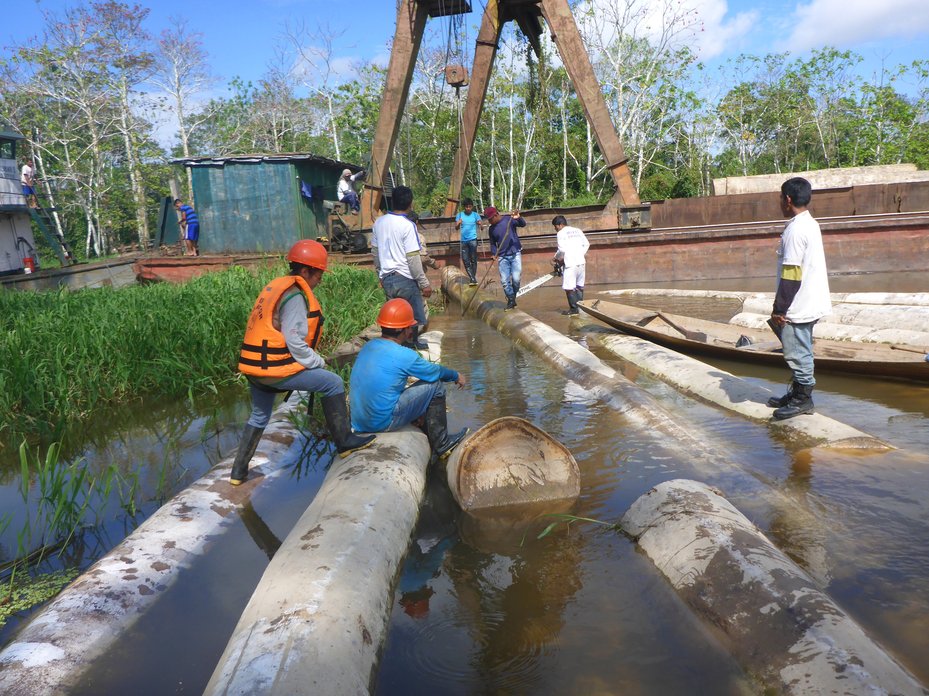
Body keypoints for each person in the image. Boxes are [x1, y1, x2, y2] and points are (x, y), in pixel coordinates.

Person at [230, 239, 375, 485]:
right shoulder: (295, 296)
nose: (320, 280)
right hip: (275, 369)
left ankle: (237, 473)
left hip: (255, 369)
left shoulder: (276, 287)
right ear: (306, 271)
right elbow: (295, 342)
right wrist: (317, 361)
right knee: (333, 382)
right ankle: (345, 443)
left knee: (259, 415)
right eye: (319, 274)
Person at [350, 298, 468, 459]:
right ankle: (442, 443)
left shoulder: (368, 347)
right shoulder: (404, 355)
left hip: (359, 423)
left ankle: (426, 430)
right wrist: (456, 375)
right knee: (435, 385)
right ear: (406, 329)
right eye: (411, 327)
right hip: (382, 422)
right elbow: (434, 372)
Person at [767, 177, 831, 420]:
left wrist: (779, 308)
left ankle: (803, 400)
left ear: (788, 199)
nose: (780, 203)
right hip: (809, 301)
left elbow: (792, 274)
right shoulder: (809, 223)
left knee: (797, 353)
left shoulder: (795, 230)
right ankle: (796, 395)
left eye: (780, 198)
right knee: (801, 350)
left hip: (798, 305)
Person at [371, 185, 432, 350]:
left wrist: (380, 275)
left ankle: (396, 346)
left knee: (396, 314)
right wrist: (424, 282)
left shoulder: (379, 222)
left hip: (388, 277)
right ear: (410, 203)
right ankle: (412, 344)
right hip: (405, 277)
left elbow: (375, 253)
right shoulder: (408, 225)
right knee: (414, 314)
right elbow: (413, 258)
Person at [484, 206, 526, 311]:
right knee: (504, 280)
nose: (490, 221)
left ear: (496, 215)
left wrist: (518, 218)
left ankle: (512, 298)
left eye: (490, 219)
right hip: (502, 256)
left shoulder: (509, 220)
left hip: (515, 253)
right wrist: (494, 254)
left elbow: (523, 224)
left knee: (516, 279)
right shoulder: (491, 229)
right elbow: (493, 243)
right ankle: (511, 300)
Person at [552, 215, 590, 315]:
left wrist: (557, 258)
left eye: (555, 226)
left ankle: (573, 310)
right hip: (581, 262)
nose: (555, 229)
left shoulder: (561, 233)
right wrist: (580, 253)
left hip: (570, 263)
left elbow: (562, 250)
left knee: (569, 287)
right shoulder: (577, 230)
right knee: (579, 286)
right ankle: (581, 309)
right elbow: (587, 244)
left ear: (560, 225)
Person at [455, 198, 483, 285]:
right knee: (465, 259)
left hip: (473, 240)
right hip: (463, 241)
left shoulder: (475, 215)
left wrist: (480, 225)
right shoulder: (459, 215)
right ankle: (473, 278)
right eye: (466, 207)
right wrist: (458, 223)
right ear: (464, 207)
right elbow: (456, 228)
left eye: (470, 207)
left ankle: (472, 279)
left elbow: (482, 227)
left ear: (472, 207)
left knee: (473, 259)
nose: (468, 208)